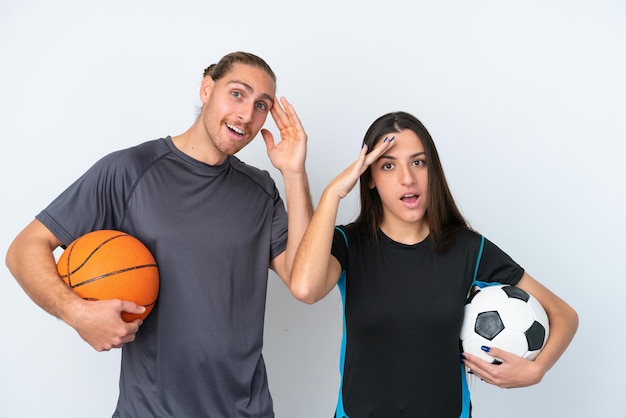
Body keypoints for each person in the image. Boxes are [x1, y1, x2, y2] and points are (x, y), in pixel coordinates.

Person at [6, 51, 313, 417]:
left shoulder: (260, 189)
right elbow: (25, 248)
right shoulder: (129, 170)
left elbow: (304, 281)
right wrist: (77, 314)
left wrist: (294, 174)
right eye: (237, 93)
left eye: (261, 105)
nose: (247, 115)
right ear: (206, 88)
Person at [290, 111, 578, 417]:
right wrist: (332, 193)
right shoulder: (348, 244)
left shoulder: (468, 248)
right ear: (369, 178)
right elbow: (305, 289)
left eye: (418, 162)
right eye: (388, 165)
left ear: (432, 170)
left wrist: (537, 370)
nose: (407, 179)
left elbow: (563, 314)